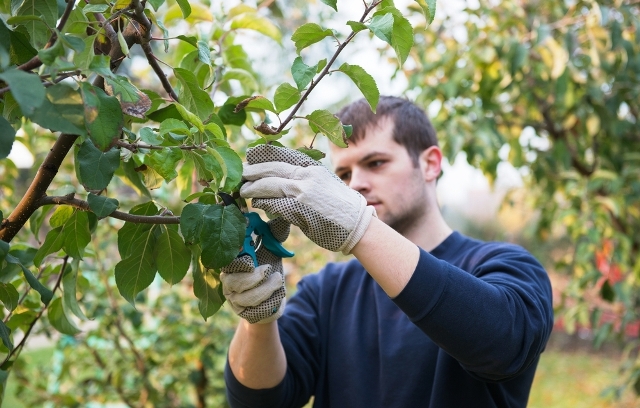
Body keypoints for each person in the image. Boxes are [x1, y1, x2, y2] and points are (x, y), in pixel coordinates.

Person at [220, 96, 554, 407]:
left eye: (376, 163)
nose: (356, 185)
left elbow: (503, 346)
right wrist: (259, 321)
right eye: (344, 174)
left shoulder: (506, 266)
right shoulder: (326, 290)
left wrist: (360, 227)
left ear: (430, 164)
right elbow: (259, 400)